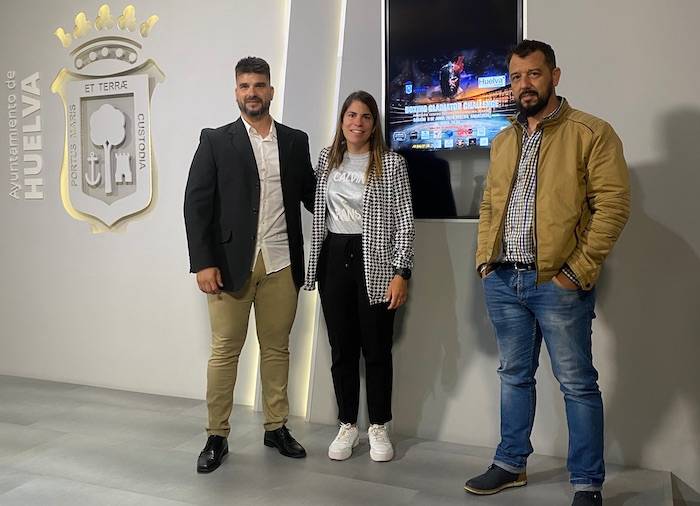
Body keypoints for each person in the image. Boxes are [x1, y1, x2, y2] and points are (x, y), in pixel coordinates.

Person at [464, 40, 630, 506]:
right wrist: (484, 260)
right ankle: (511, 462)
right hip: (503, 279)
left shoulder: (591, 132)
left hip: (557, 282)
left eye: (533, 74)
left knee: (577, 383)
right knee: (514, 375)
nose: (524, 85)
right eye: (516, 77)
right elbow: (491, 205)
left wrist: (577, 272)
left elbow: (613, 206)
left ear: (554, 76)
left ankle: (586, 484)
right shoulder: (503, 139)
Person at [184, 56, 315, 473]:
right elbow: (196, 205)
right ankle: (216, 435)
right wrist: (203, 262)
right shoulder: (215, 140)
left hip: (281, 262)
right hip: (228, 265)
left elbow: (314, 196)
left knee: (277, 349)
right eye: (244, 86)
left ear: (271, 91)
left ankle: (276, 427)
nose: (252, 93)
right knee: (225, 351)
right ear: (236, 91)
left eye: (259, 85)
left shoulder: (295, 141)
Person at [303, 91, 415, 462]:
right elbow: (319, 210)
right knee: (342, 349)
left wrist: (401, 272)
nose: (357, 123)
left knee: (377, 349)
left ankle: (379, 426)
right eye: (351, 115)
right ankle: (347, 424)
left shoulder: (391, 163)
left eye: (366, 117)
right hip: (334, 257)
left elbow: (404, 222)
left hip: (376, 260)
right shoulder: (327, 159)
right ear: (341, 120)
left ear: (374, 124)